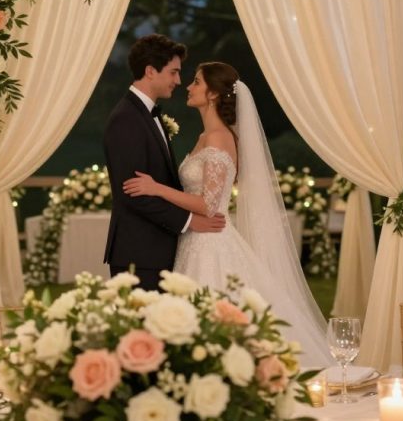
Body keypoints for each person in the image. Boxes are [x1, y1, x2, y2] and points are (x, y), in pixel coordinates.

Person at [123, 62, 332, 368]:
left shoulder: (219, 138)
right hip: (195, 237)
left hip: (211, 243)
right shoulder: (205, 137)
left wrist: (156, 189)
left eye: (196, 82)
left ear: (213, 94)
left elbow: (208, 205)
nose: (188, 86)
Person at [103, 35, 226, 292]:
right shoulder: (126, 119)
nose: (178, 81)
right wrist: (189, 221)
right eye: (173, 72)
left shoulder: (146, 114)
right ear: (150, 71)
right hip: (140, 254)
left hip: (158, 250)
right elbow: (133, 193)